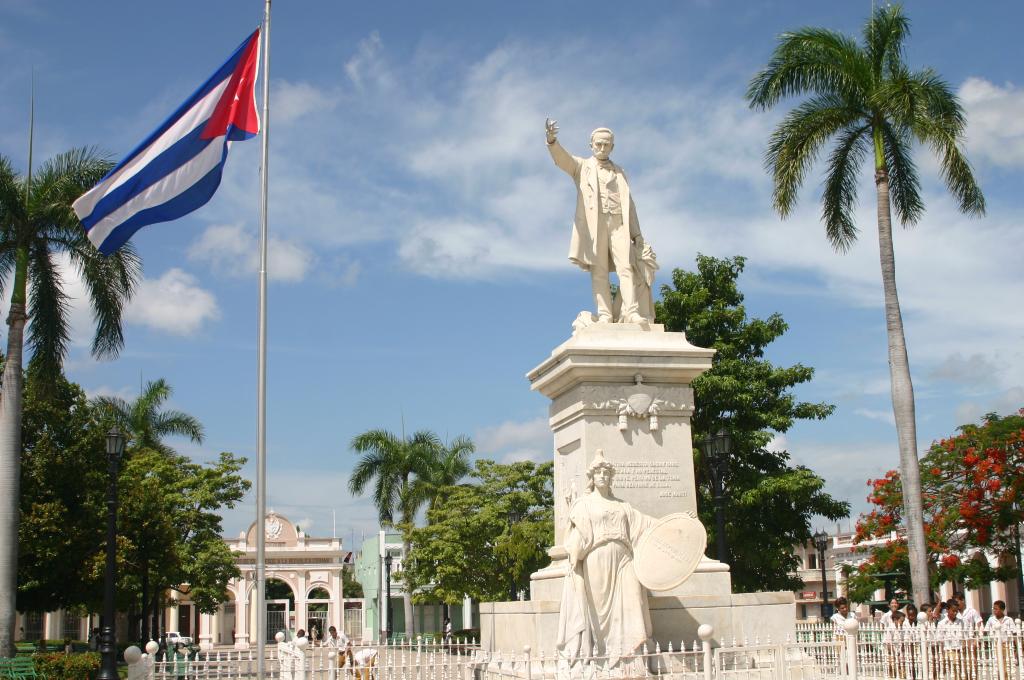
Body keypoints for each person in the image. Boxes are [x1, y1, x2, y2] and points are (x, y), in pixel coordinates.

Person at [556, 450, 658, 667]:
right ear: (592, 477)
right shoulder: (584, 504)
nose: (603, 476)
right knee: (600, 612)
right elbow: (576, 534)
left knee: (633, 599)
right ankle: (606, 657)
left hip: (625, 559)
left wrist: (677, 522)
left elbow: (647, 524)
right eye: (599, 473)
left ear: (611, 477)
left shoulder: (622, 505)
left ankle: (632, 659)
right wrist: (574, 552)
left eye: (606, 473)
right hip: (597, 559)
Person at [545, 119, 650, 325]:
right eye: (598, 144)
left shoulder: (620, 172)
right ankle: (605, 315)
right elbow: (563, 159)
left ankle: (632, 312)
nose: (602, 148)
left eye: (606, 144)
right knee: (599, 271)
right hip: (595, 225)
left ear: (612, 146)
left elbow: (629, 205)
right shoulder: (582, 167)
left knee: (626, 267)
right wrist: (552, 141)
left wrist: (636, 233)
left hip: (619, 223)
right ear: (591, 145)